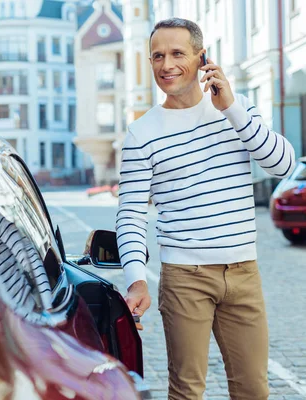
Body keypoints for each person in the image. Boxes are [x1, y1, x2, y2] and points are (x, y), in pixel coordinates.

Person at [116, 18, 295, 400]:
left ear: (202, 58)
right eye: (158, 56)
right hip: (185, 277)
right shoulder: (142, 133)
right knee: (187, 391)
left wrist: (231, 108)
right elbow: (130, 214)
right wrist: (136, 279)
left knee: (253, 390)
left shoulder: (238, 109)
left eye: (178, 53)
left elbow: (283, 166)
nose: (167, 65)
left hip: (244, 272)